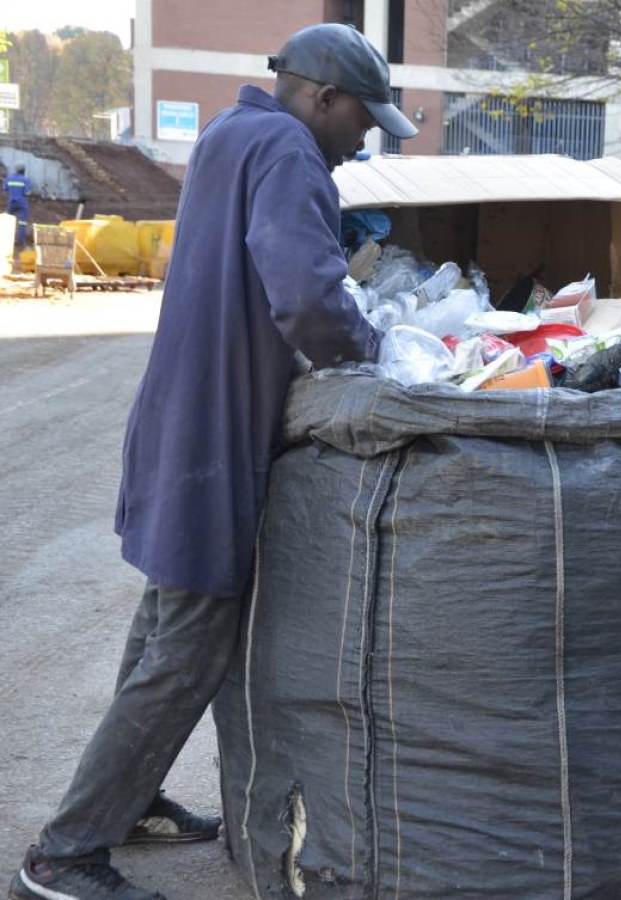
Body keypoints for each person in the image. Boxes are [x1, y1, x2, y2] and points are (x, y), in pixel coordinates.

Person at [9, 23, 416, 900]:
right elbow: (306, 293)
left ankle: (126, 801)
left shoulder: (232, 133)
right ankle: (67, 853)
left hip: (177, 415)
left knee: (163, 624)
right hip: (216, 434)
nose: (364, 137)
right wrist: (376, 351)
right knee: (189, 650)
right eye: (362, 118)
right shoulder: (291, 150)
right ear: (322, 98)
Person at [6, 163, 33, 247]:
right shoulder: (26, 179)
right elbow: (27, 192)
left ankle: (6, 238)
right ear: (24, 170)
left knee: (7, 220)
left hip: (11, 202)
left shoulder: (9, 178)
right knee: (22, 222)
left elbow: (5, 188)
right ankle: (20, 240)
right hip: (22, 203)